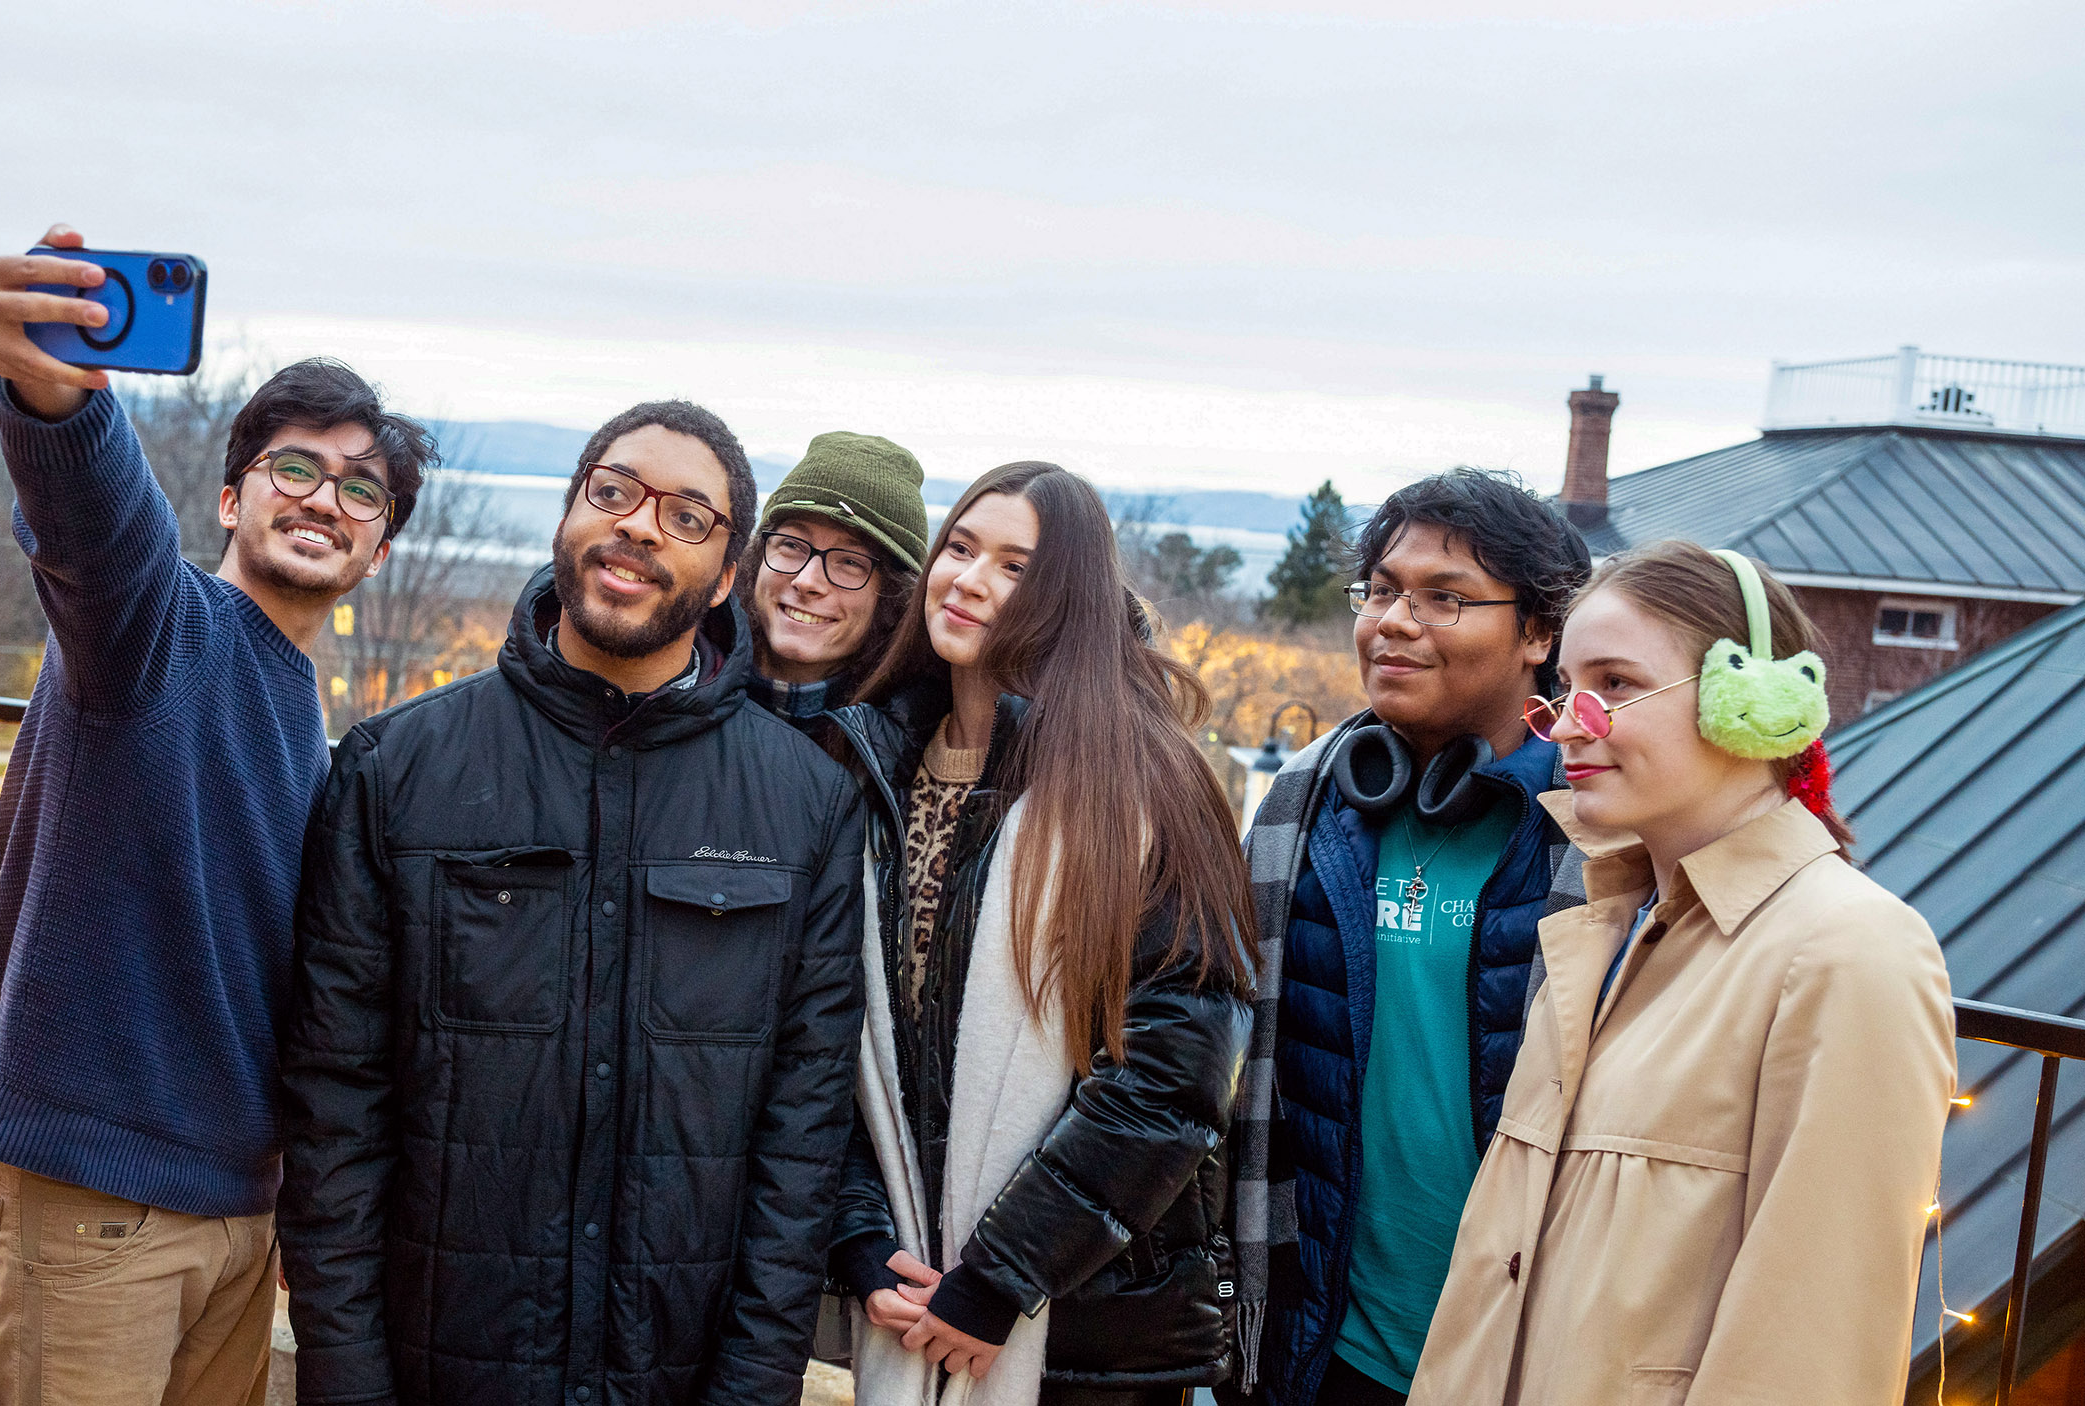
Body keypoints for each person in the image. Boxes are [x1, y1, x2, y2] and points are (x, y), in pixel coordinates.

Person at [276, 400, 869, 1405]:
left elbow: (798, 1141)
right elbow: (335, 1111)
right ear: (566, 521)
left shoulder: (806, 805)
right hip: (439, 1368)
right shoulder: (395, 768)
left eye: (688, 515)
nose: (639, 523)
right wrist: (346, 1378)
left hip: (678, 1375)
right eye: (613, 492)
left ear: (727, 576)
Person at [0, 226, 433, 1406]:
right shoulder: (156, 634)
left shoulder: (312, 720)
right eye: (296, 467)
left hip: (234, 1218)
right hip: (92, 1204)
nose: (327, 498)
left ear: (376, 550)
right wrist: (53, 395)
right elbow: (96, 529)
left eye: (361, 490)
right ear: (233, 491)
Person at [1407, 541, 1956, 1403]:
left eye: (1617, 684)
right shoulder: (1598, 933)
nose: (1570, 723)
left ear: (1755, 699)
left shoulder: (1850, 953)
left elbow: (1812, 1354)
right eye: (1566, 690)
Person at [821, 461, 1258, 1406]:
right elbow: (833, 1046)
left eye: (1015, 566)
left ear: (1069, 601)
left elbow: (1171, 1080)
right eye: (961, 548)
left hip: (1086, 1324)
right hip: (902, 1287)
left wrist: (997, 1280)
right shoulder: (868, 771)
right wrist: (862, 1243)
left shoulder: (1149, 786)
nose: (969, 579)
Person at [1236, 469, 1592, 1406]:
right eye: (1383, 591)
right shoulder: (1304, 803)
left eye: (1446, 599)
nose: (1394, 621)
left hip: (1520, 1353)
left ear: (1541, 632)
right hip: (1319, 1346)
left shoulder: (1602, 835)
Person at [737, 430, 929, 725]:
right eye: (791, 545)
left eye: (850, 562)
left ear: (893, 597)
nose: (807, 581)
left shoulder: (909, 745)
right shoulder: (674, 680)